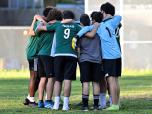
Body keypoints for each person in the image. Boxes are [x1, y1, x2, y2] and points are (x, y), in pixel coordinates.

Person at [74, 2, 122, 111]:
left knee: (111, 80)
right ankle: (117, 103)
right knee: (115, 80)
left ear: (103, 12)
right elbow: (119, 16)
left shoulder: (99, 26)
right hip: (117, 54)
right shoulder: (114, 21)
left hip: (109, 57)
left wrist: (77, 36)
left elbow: (86, 29)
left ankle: (114, 105)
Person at [36, 10, 81, 111]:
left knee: (58, 80)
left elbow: (41, 28)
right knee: (68, 80)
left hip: (58, 55)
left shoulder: (57, 25)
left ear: (63, 18)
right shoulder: (76, 26)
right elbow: (84, 30)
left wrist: (43, 23)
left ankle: (56, 104)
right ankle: (65, 105)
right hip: (71, 54)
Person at [33, 7, 63, 109]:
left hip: (40, 55)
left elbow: (36, 30)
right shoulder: (57, 25)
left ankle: (40, 101)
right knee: (51, 78)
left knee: (42, 78)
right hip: (49, 55)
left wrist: (42, 21)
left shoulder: (40, 25)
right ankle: (48, 101)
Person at [78, 13, 104, 111]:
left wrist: (79, 58)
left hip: (85, 60)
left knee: (85, 82)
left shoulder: (81, 33)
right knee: (96, 82)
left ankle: (85, 106)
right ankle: (96, 106)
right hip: (97, 60)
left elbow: (78, 48)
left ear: (81, 23)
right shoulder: (97, 31)